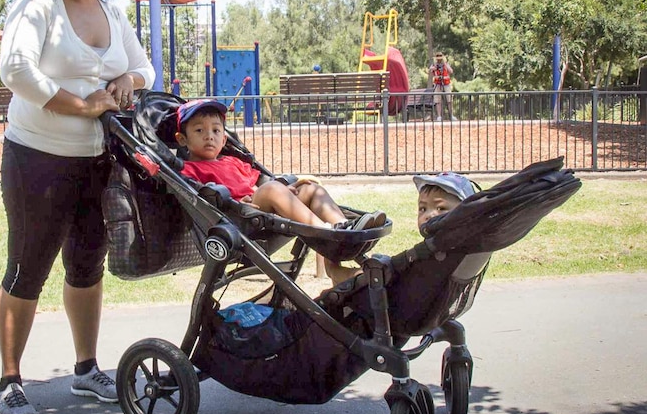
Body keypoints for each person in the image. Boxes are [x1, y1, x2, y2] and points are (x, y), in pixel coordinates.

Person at [0, 0, 156, 414]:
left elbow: (145, 67)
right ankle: (10, 382)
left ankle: (86, 369)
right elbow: (15, 70)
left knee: (87, 265)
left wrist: (127, 82)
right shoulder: (36, 4)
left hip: (97, 161)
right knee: (28, 267)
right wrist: (82, 104)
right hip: (36, 159)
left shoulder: (114, 11)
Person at [174, 99, 386, 281]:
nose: (209, 136)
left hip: (266, 212)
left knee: (310, 188)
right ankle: (328, 231)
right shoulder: (189, 170)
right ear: (182, 139)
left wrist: (288, 190)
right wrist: (249, 199)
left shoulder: (233, 162)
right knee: (273, 189)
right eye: (199, 130)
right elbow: (202, 197)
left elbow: (259, 182)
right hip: (239, 220)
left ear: (224, 139)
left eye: (216, 130)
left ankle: (340, 239)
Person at [325, 170, 475, 285]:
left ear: (464, 215)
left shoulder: (441, 251)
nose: (429, 215)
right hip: (415, 296)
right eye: (423, 209)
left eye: (441, 208)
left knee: (359, 277)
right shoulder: (462, 247)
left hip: (393, 298)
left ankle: (332, 270)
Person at [428, 52, 457, 121]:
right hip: (438, 83)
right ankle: (439, 116)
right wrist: (433, 68)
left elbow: (451, 71)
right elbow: (430, 70)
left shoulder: (446, 64)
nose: (439, 60)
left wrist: (445, 65)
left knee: (449, 99)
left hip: (446, 83)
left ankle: (451, 115)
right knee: (438, 100)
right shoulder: (434, 65)